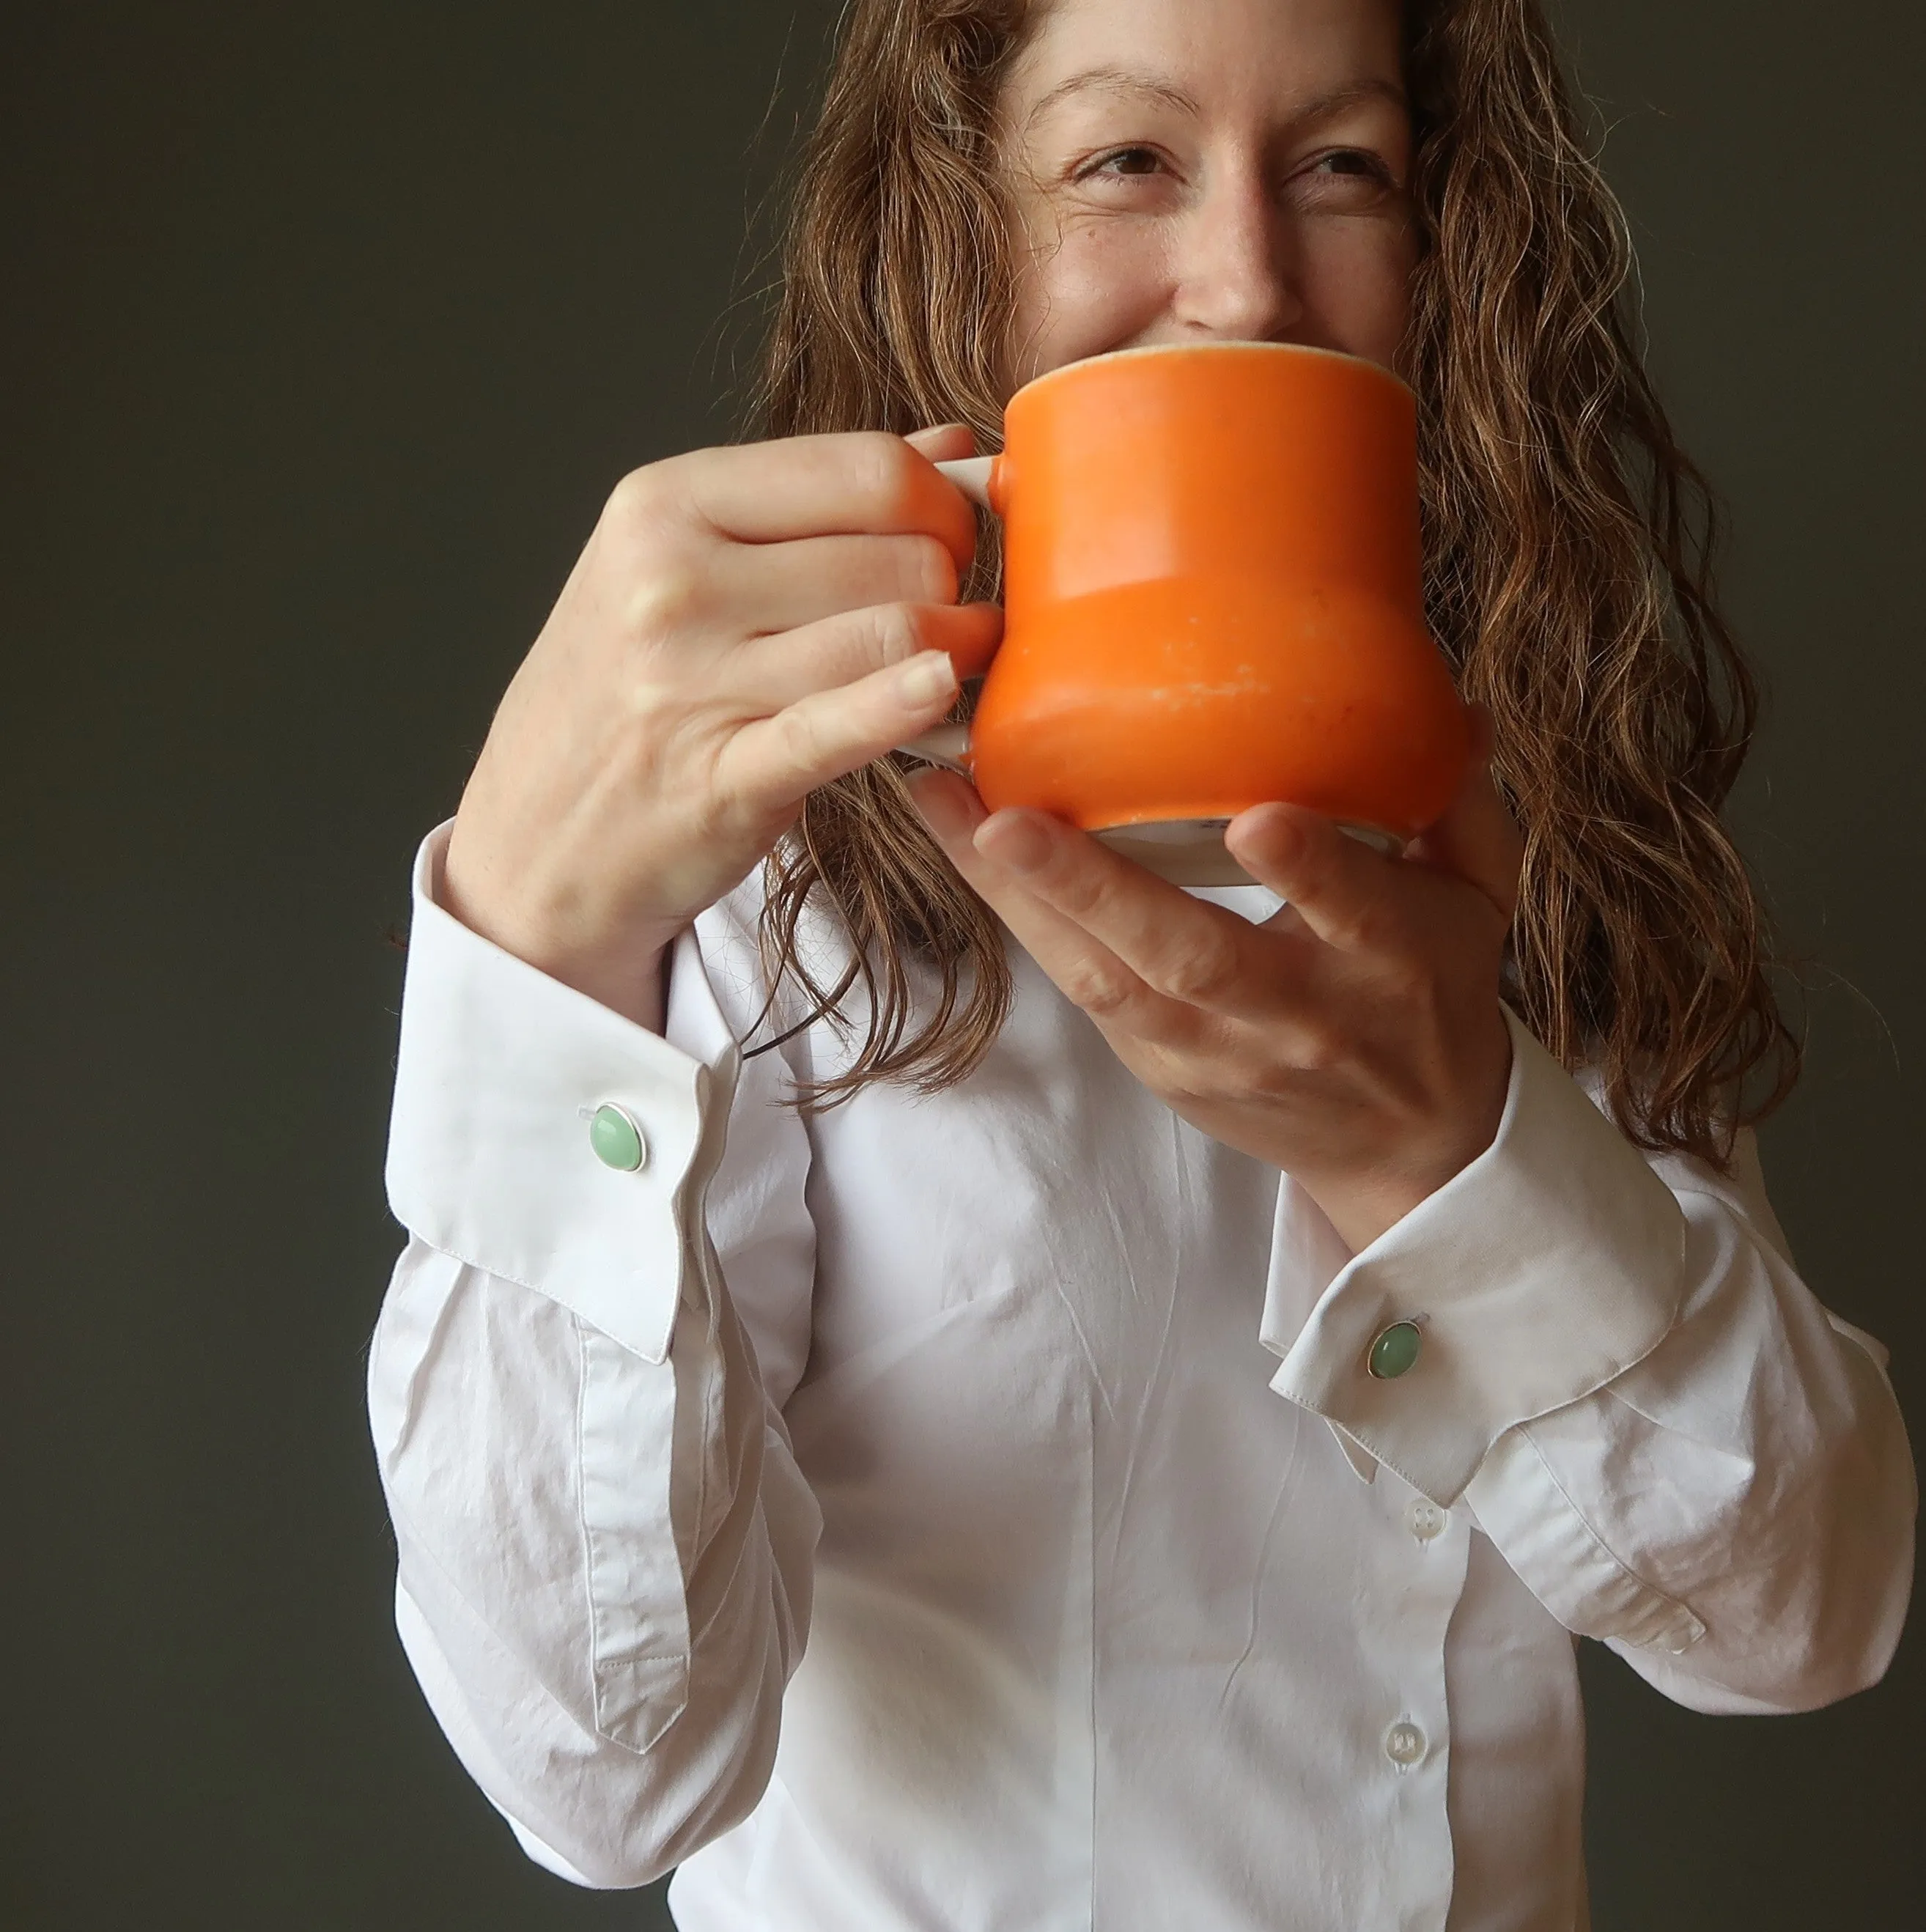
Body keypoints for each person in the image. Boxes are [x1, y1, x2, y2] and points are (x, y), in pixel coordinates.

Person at [366, 0, 1916, 1925]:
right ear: (957, 236)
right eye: (1126, 162)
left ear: (1442, 265)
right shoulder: (761, 873)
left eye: (1341, 168)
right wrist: (538, 944)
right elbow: (606, 1778)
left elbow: (1804, 1616)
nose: (1247, 276)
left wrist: (1458, 1156)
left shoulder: (1540, 827)